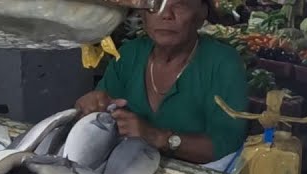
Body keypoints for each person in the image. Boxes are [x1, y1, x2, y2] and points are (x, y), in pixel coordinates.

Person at [74, 0, 248, 165]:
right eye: (155, 4)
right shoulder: (128, 55)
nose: (166, 15)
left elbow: (227, 145)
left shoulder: (223, 63)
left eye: (180, 5)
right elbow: (100, 116)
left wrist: (158, 137)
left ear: (201, 14)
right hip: (126, 168)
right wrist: (91, 108)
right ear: (143, 13)